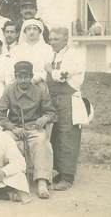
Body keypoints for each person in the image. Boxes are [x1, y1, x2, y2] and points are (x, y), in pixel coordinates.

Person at [0, 61, 57, 199]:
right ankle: (12, 181)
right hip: (14, 128)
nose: (23, 80)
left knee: (42, 142)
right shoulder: (9, 90)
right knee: (6, 142)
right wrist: (12, 127)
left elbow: (52, 113)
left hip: (33, 128)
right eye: (19, 77)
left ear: (31, 76)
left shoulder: (40, 90)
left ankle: (42, 182)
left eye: (26, 77)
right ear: (15, 76)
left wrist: (45, 118)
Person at [44, 27, 86, 191]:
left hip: (68, 100)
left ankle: (68, 177)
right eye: (51, 39)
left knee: (68, 136)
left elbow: (61, 76)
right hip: (55, 100)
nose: (52, 42)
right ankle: (60, 172)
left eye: (56, 39)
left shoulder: (73, 55)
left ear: (65, 40)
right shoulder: (55, 55)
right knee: (56, 135)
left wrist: (48, 68)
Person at [11, 19, 53, 87]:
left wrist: (35, 80)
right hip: (19, 84)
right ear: (25, 32)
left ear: (40, 32)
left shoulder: (48, 49)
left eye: (35, 29)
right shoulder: (16, 49)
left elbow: (47, 69)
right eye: (29, 29)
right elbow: (12, 68)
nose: (31, 32)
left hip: (40, 84)